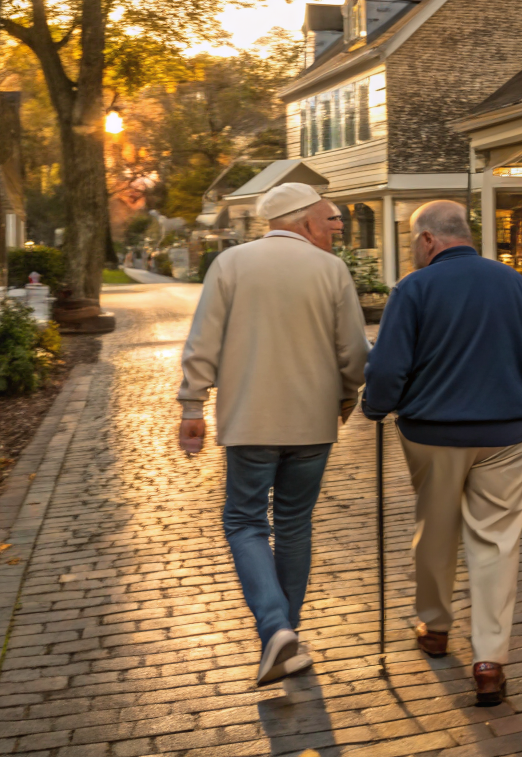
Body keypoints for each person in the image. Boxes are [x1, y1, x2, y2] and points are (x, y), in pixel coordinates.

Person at [362, 199, 522, 706]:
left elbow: (386, 368)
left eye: (412, 241)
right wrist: (519, 395)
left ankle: (435, 627)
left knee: (436, 525)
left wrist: (377, 406)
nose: (413, 249)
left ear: (428, 239)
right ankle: (490, 660)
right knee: (497, 542)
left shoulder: (414, 288)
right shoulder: (511, 281)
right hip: (505, 436)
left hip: (432, 433)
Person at [177, 182, 368, 688]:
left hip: (249, 421)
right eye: (328, 222)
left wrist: (193, 403)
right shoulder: (331, 271)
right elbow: (353, 351)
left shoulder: (231, 265)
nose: (334, 231)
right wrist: (346, 394)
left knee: (244, 522)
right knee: (294, 524)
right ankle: (286, 634)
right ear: (304, 221)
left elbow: (204, 340)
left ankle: (276, 629)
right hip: (312, 422)